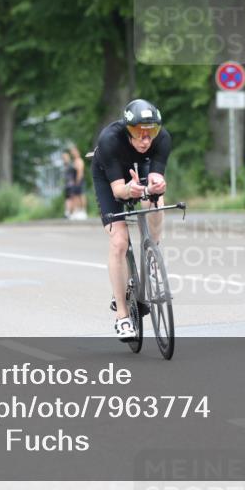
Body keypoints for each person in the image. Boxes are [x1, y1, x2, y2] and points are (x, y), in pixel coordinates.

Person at [91, 99, 172, 340]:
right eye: (139, 133)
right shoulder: (109, 139)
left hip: (141, 169)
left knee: (156, 199)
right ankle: (123, 316)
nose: (146, 139)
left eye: (151, 133)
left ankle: (153, 252)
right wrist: (130, 189)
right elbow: (118, 191)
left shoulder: (163, 139)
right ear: (128, 130)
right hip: (111, 179)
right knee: (119, 241)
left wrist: (156, 185)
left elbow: (155, 177)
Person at [62, 145, 86, 220]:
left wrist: (78, 181)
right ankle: (77, 211)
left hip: (79, 181)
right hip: (75, 181)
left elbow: (80, 172)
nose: (72, 153)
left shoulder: (79, 160)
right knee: (75, 196)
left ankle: (83, 211)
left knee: (81, 195)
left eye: (74, 151)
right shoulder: (74, 161)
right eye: (72, 152)